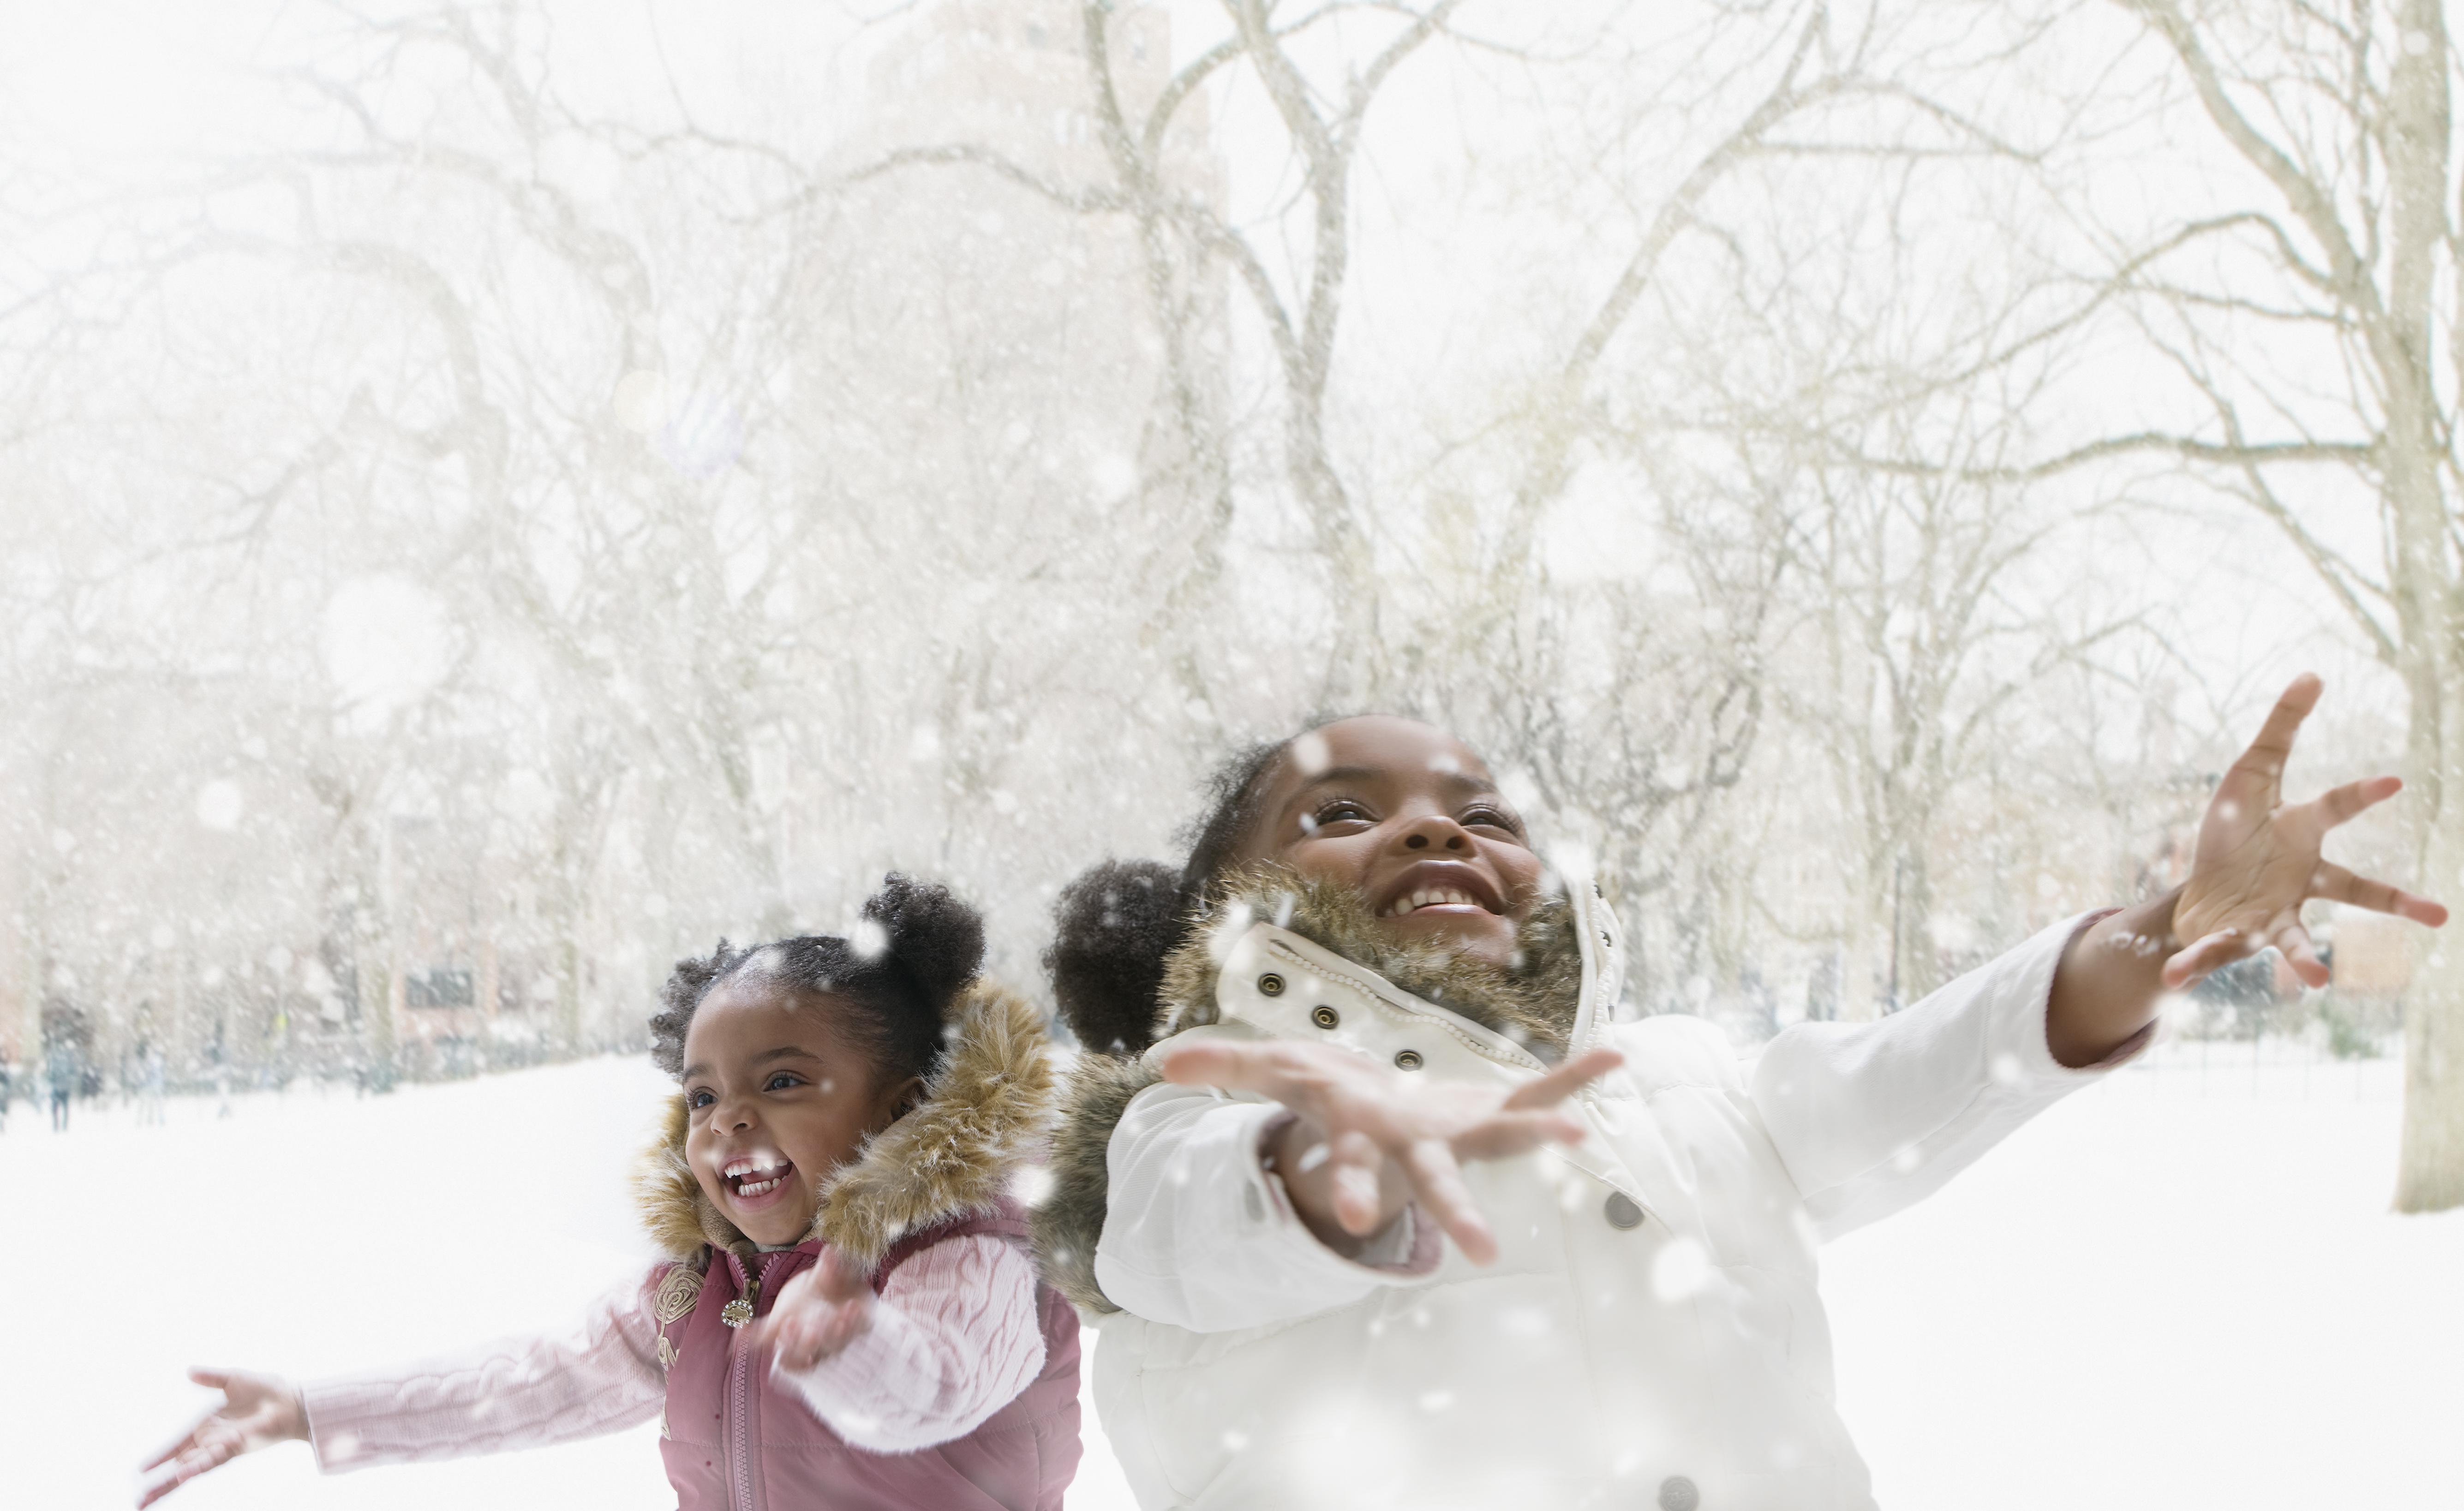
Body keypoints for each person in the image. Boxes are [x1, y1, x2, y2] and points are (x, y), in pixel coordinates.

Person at [1033, 676, 2444, 1511]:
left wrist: (2154, 930)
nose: (1431, 824)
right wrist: (1321, 1171)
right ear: (1223, 913)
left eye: (1485, 810)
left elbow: (1916, 1074)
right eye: (1341, 811)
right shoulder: (1190, 1114)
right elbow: (1175, 1231)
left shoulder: (1681, 1078)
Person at [139, 875, 1084, 1511]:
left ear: (902, 1107)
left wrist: (853, 1342)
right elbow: (540, 1379)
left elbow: (940, 1383)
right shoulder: (703, 1286)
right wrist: (317, 1409)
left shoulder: (969, 1255)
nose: (726, 1120)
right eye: (704, 1093)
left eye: (783, 1080)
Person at [46, 1039, 77, 1132]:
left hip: (60, 1089)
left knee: (58, 1109)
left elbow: (51, 1075)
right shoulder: (66, 1059)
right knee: (63, 1109)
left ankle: (59, 1126)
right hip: (62, 1089)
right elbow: (72, 1073)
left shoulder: (56, 1060)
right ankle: (62, 1126)